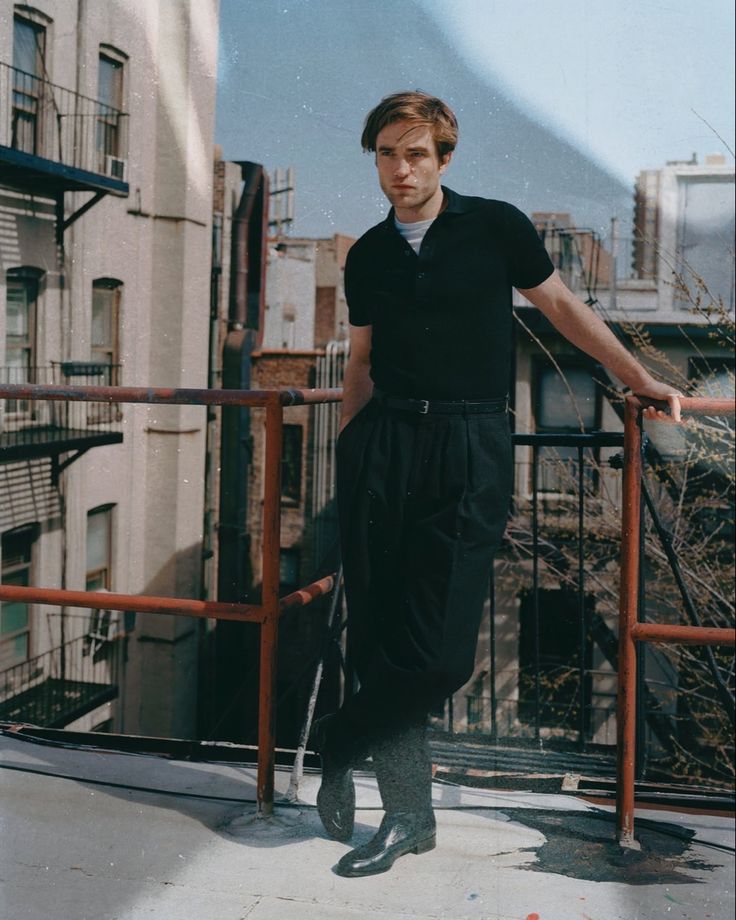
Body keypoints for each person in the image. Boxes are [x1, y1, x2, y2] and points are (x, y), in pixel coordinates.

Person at [313, 90, 681, 878]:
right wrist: (350, 454)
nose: (400, 169)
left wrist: (637, 377)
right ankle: (408, 817)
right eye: (386, 153)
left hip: (470, 442)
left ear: (445, 157)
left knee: (440, 654)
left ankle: (338, 740)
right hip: (384, 448)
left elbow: (562, 308)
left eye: (416, 153)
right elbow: (361, 363)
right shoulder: (369, 255)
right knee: (383, 638)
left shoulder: (495, 226)